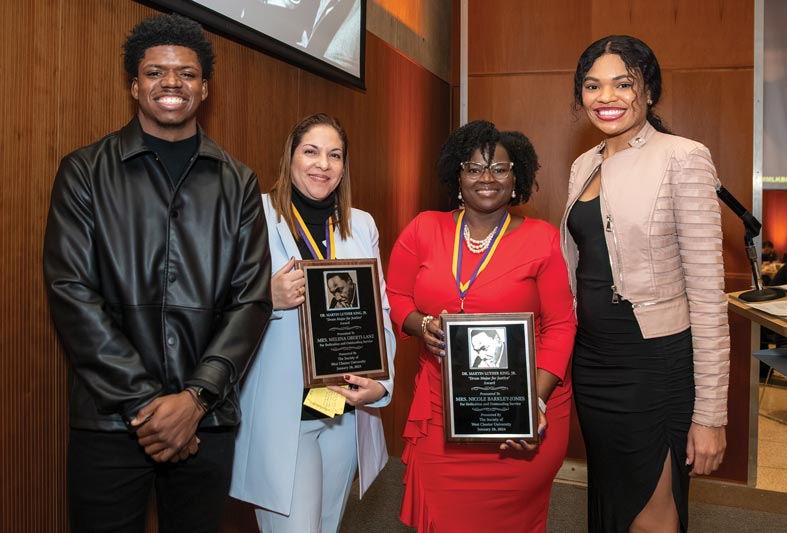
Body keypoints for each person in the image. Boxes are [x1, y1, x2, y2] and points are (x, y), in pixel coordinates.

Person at [42, 14, 272, 533]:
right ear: (133, 84)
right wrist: (149, 407)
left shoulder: (238, 183)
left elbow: (251, 301)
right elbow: (71, 294)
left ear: (205, 87)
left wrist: (194, 399)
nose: (172, 83)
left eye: (187, 73)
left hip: (206, 420)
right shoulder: (84, 172)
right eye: (155, 72)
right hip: (110, 421)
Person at [562, 35, 730, 532]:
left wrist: (711, 415)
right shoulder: (582, 164)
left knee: (653, 511)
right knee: (612, 499)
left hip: (654, 365)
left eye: (622, 84)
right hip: (594, 361)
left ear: (649, 91)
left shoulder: (683, 156)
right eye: (593, 85)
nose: (606, 97)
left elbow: (707, 296)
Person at [385, 120, 576, 532]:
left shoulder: (542, 239)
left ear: (516, 177)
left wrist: (532, 404)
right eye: (474, 168)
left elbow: (561, 325)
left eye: (500, 169)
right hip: (442, 410)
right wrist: (421, 326)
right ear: (458, 175)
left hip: (524, 412)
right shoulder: (423, 229)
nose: (486, 178)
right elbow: (395, 296)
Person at [230, 113, 396, 533]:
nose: (323, 164)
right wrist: (267, 297)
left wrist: (383, 383)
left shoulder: (361, 223)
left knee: (326, 525)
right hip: (283, 413)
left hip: (342, 408)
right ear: (290, 157)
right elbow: (214, 304)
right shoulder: (254, 214)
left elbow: (381, 312)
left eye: (335, 155)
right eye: (312, 151)